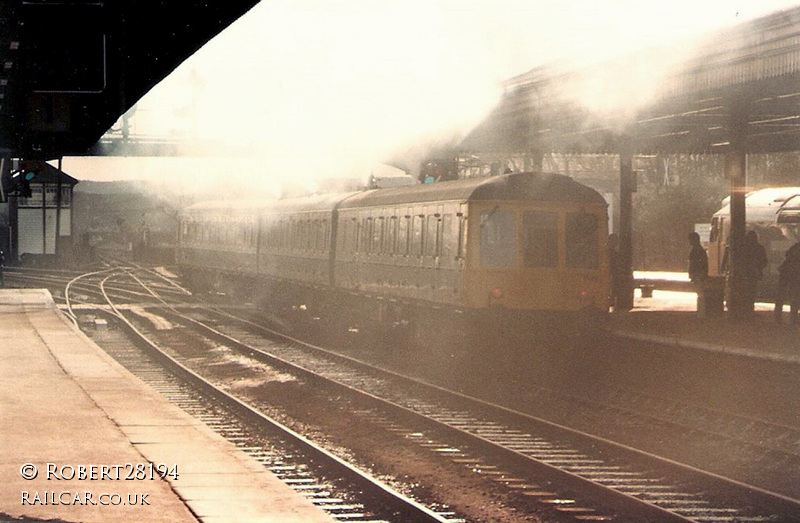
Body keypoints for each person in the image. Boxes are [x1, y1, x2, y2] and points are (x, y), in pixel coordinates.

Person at [741, 230, 768, 313]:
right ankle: (750, 309)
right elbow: (764, 261)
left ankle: (744, 309)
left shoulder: (743, 248)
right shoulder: (759, 248)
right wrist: (758, 268)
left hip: (744, 273)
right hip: (754, 273)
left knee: (744, 292)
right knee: (752, 291)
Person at [774, 241, 800, 324]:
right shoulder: (796, 248)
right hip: (795, 273)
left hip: (787, 272)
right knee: (795, 295)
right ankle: (793, 317)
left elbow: (787, 254)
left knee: (782, 294)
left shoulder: (794, 248)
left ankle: (778, 316)